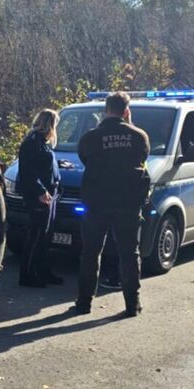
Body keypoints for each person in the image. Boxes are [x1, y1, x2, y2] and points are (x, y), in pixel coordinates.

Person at [75, 92, 150, 316]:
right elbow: (142, 159)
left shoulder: (90, 137)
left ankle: (84, 303)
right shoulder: (139, 136)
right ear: (127, 111)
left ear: (105, 111)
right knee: (129, 254)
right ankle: (132, 304)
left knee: (90, 253)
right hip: (127, 204)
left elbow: (85, 159)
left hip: (96, 203)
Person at [16, 109, 61, 287]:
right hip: (39, 197)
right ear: (49, 124)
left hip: (50, 195)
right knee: (35, 236)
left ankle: (43, 271)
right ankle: (27, 275)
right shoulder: (32, 142)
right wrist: (40, 191)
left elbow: (44, 164)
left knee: (45, 236)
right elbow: (27, 171)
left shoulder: (42, 143)